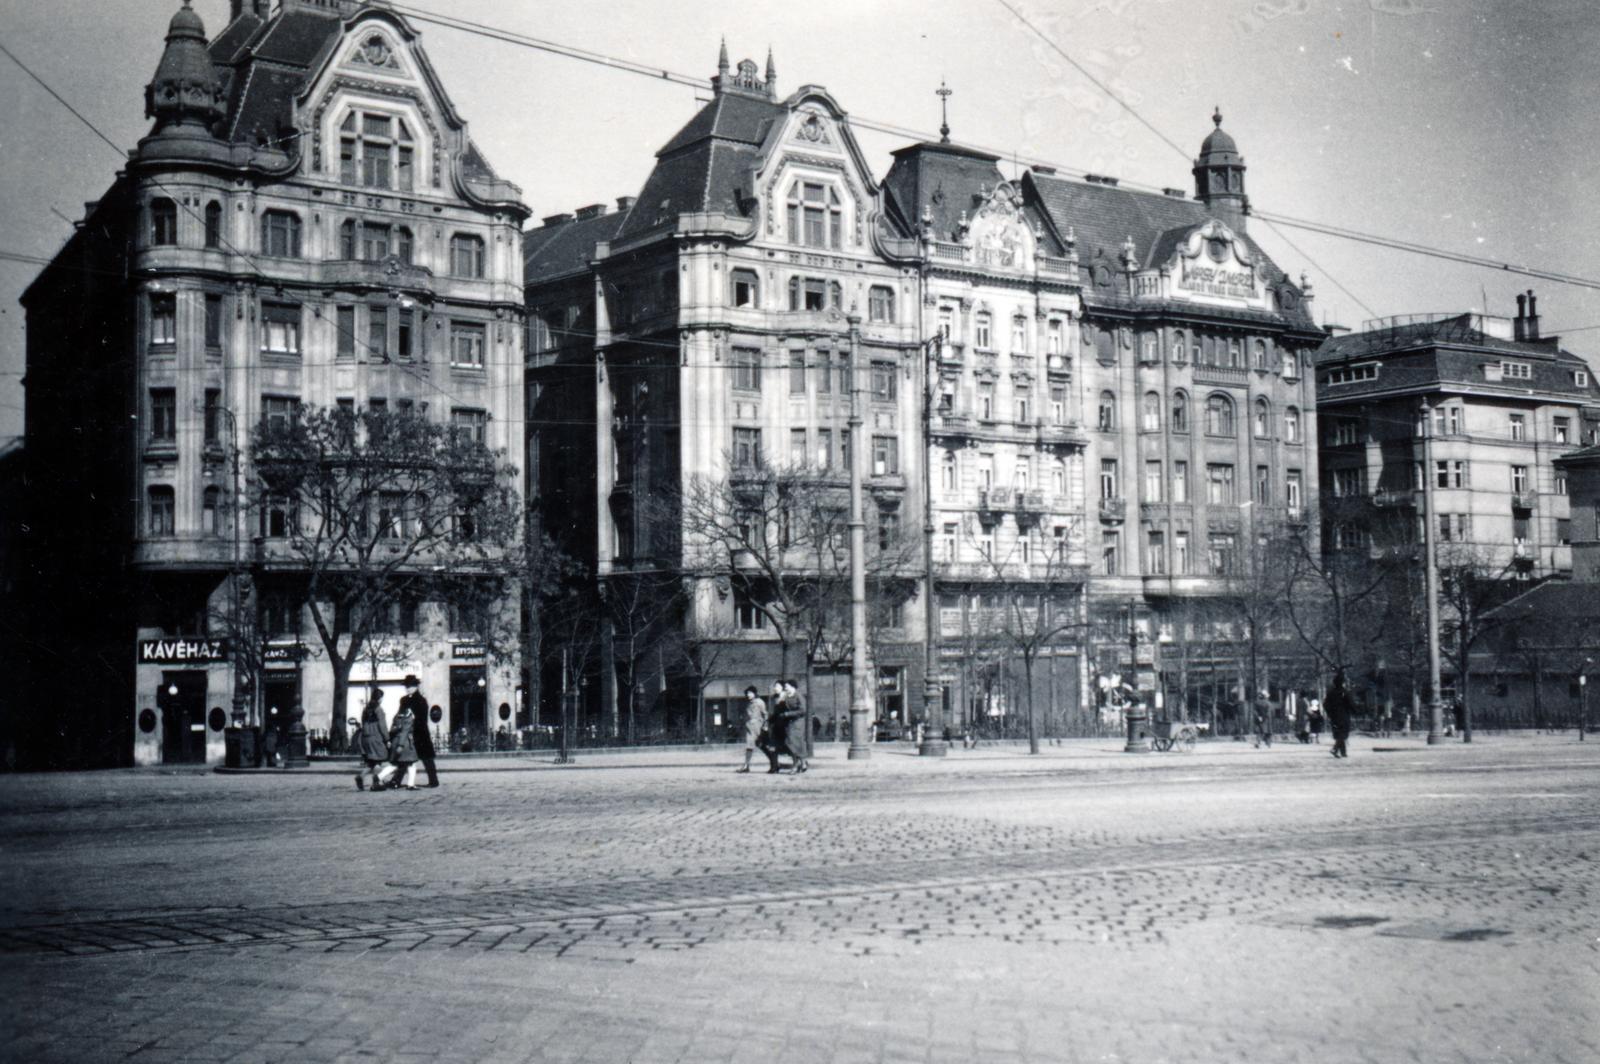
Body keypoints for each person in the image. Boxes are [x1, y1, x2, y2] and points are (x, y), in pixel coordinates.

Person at [400, 676, 437, 788]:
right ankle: (396, 780)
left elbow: (422, 718)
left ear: (416, 687)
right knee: (405, 757)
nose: (408, 688)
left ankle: (433, 780)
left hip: (420, 732)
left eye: (410, 686)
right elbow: (401, 714)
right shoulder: (404, 700)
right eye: (406, 686)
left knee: (427, 758)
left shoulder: (421, 700)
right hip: (408, 731)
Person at [354, 688, 389, 790]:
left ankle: (360, 776)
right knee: (378, 761)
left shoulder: (366, 709)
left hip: (366, 738)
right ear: (380, 698)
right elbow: (382, 726)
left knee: (371, 762)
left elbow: (363, 722)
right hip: (376, 738)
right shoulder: (379, 709)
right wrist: (387, 739)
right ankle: (378, 782)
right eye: (382, 697)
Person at [737, 685, 773, 774]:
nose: (748, 695)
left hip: (758, 727)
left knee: (763, 745)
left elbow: (765, 714)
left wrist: (765, 725)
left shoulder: (759, 702)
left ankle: (774, 763)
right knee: (749, 746)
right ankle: (746, 765)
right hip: (750, 728)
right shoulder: (749, 703)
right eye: (747, 693)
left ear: (755, 693)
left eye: (750, 693)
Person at [388, 694, 419, 790]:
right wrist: (401, 745)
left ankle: (385, 779)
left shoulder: (397, 715)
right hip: (406, 743)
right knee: (412, 763)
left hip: (396, 741)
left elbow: (392, 729)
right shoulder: (408, 716)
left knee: (396, 764)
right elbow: (405, 731)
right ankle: (410, 784)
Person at [779, 679, 809, 773]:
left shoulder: (799, 696)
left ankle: (796, 765)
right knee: (792, 743)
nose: (785, 688)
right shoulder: (787, 697)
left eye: (786, 687)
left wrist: (788, 714)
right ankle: (802, 762)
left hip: (798, 722)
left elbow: (803, 710)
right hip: (790, 723)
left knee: (793, 743)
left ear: (792, 687)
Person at [1325, 671, 1354, 759]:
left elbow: (1325, 704)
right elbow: (1351, 703)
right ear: (1343, 683)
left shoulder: (1330, 693)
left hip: (1334, 716)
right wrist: (1356, 711)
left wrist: (1330, 713)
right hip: (1344, 715)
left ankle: (1343, 752)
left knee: (1338, 733)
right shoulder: (1344, 692)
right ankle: (1335, 748)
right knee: (1343, 733)